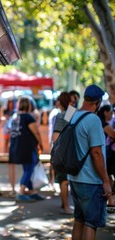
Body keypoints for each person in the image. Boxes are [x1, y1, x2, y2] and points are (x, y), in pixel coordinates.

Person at [68, 85, 111, 240]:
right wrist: (106, 181)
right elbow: (96, 153)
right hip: (91, 181)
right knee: (90, 223)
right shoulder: (93, 120)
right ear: (98, 102)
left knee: (79, 220)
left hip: (73, 177)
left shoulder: (71, 115)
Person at [9, 96, 44, 202]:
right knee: (30, 168)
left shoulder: (15, 117)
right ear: (29, 105)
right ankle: (21, 191)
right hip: (28, 147)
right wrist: (41, 144)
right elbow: (36, 132)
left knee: (27, 168)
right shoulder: (28, 117)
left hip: (17, 147)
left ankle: (31, 190)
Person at [51, 91, 72, 214]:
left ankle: (65, 205)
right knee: (64, 180)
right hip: (65, 152)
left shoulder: (63, 115)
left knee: (63, 180)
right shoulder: (69, 114)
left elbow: (55, 136)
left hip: (61, 152)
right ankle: (65, 206)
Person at [96, 105, 115, 207]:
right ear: (105, 112)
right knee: (106, 177)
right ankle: (110, 200)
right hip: (104, 152)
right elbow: (113, 134)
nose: (112, 115)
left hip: (104, 152)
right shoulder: (102, 123)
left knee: (108, 177)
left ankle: (110, 200)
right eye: (111, 112)